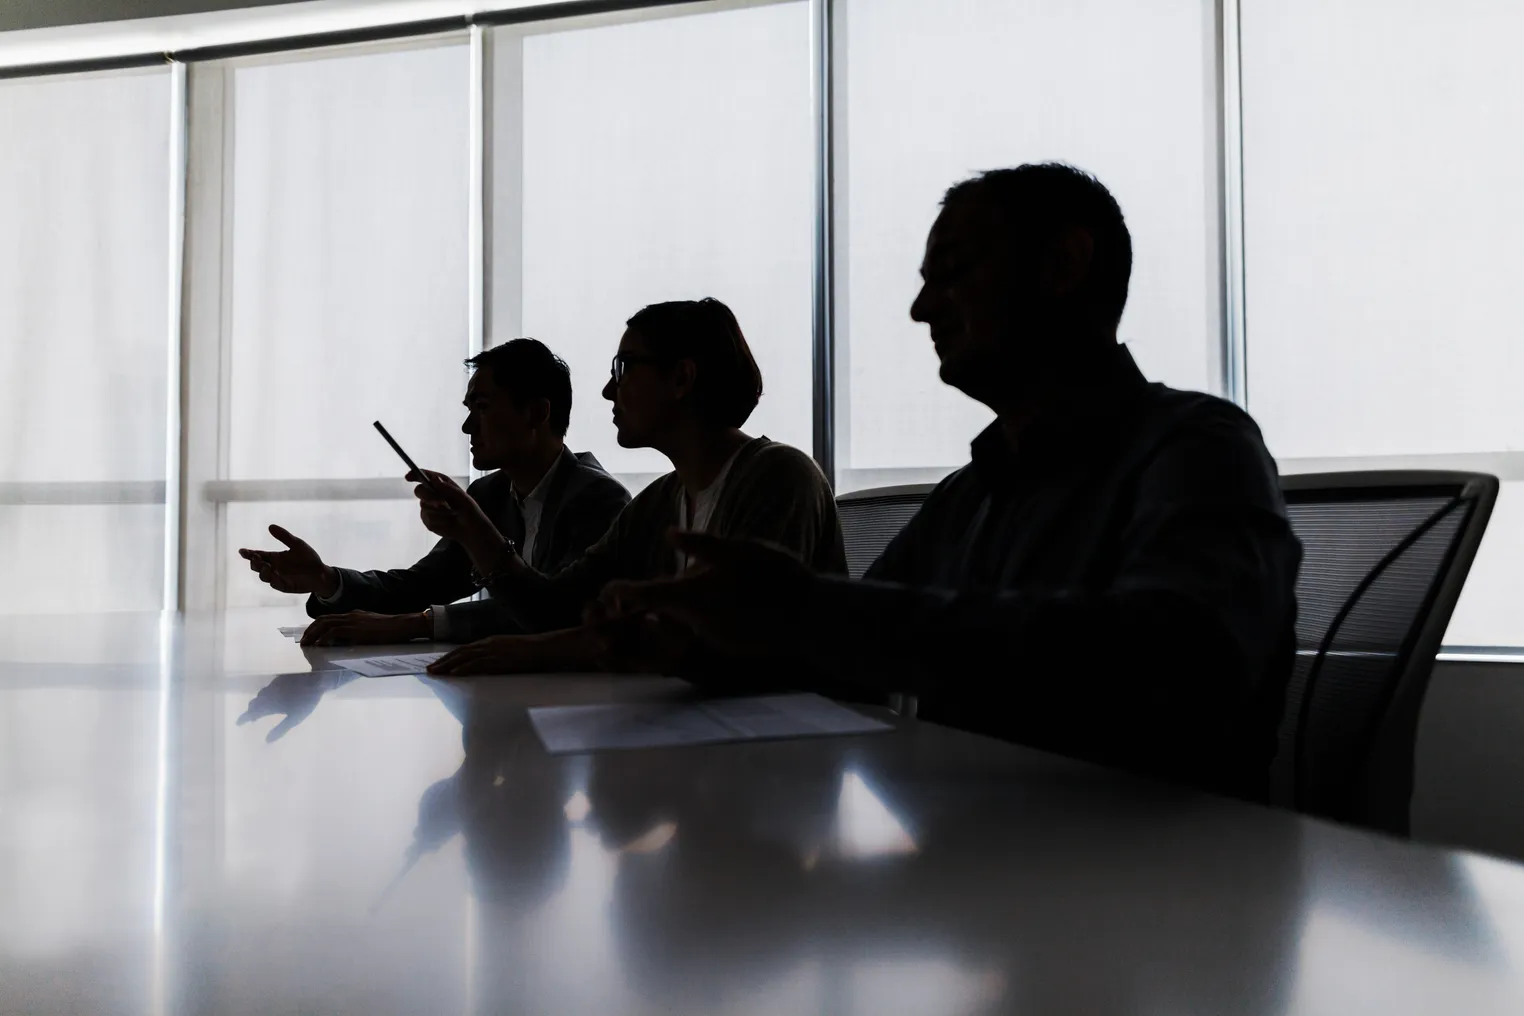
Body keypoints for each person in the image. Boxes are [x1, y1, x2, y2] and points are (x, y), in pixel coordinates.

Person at [595, 164, 1303, 802]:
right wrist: (695, 651)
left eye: (953, 272)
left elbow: (1177, 659)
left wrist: (804, 610)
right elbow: (850, 657)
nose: (920, 308)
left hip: (1166, 897)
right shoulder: (973, 493)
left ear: (1062, 263)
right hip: (987, 875)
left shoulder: (1200, 446)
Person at [416, 297, 845, 676]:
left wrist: (540, 650)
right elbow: (555, 609)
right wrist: (473, 528)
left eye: (623, 367)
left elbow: (735, 641)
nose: (607, 390)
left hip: (790, 747)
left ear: (681, 378)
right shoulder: (659, 502)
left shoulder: (781, 477)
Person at [241, 339, 630, 646]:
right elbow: (421, 585)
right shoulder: (491, 493)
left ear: (536, 413)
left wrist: (419, 624)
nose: (466, 427)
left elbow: (554, 612)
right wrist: (327, 579)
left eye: (481, 407)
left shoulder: (598, 500)